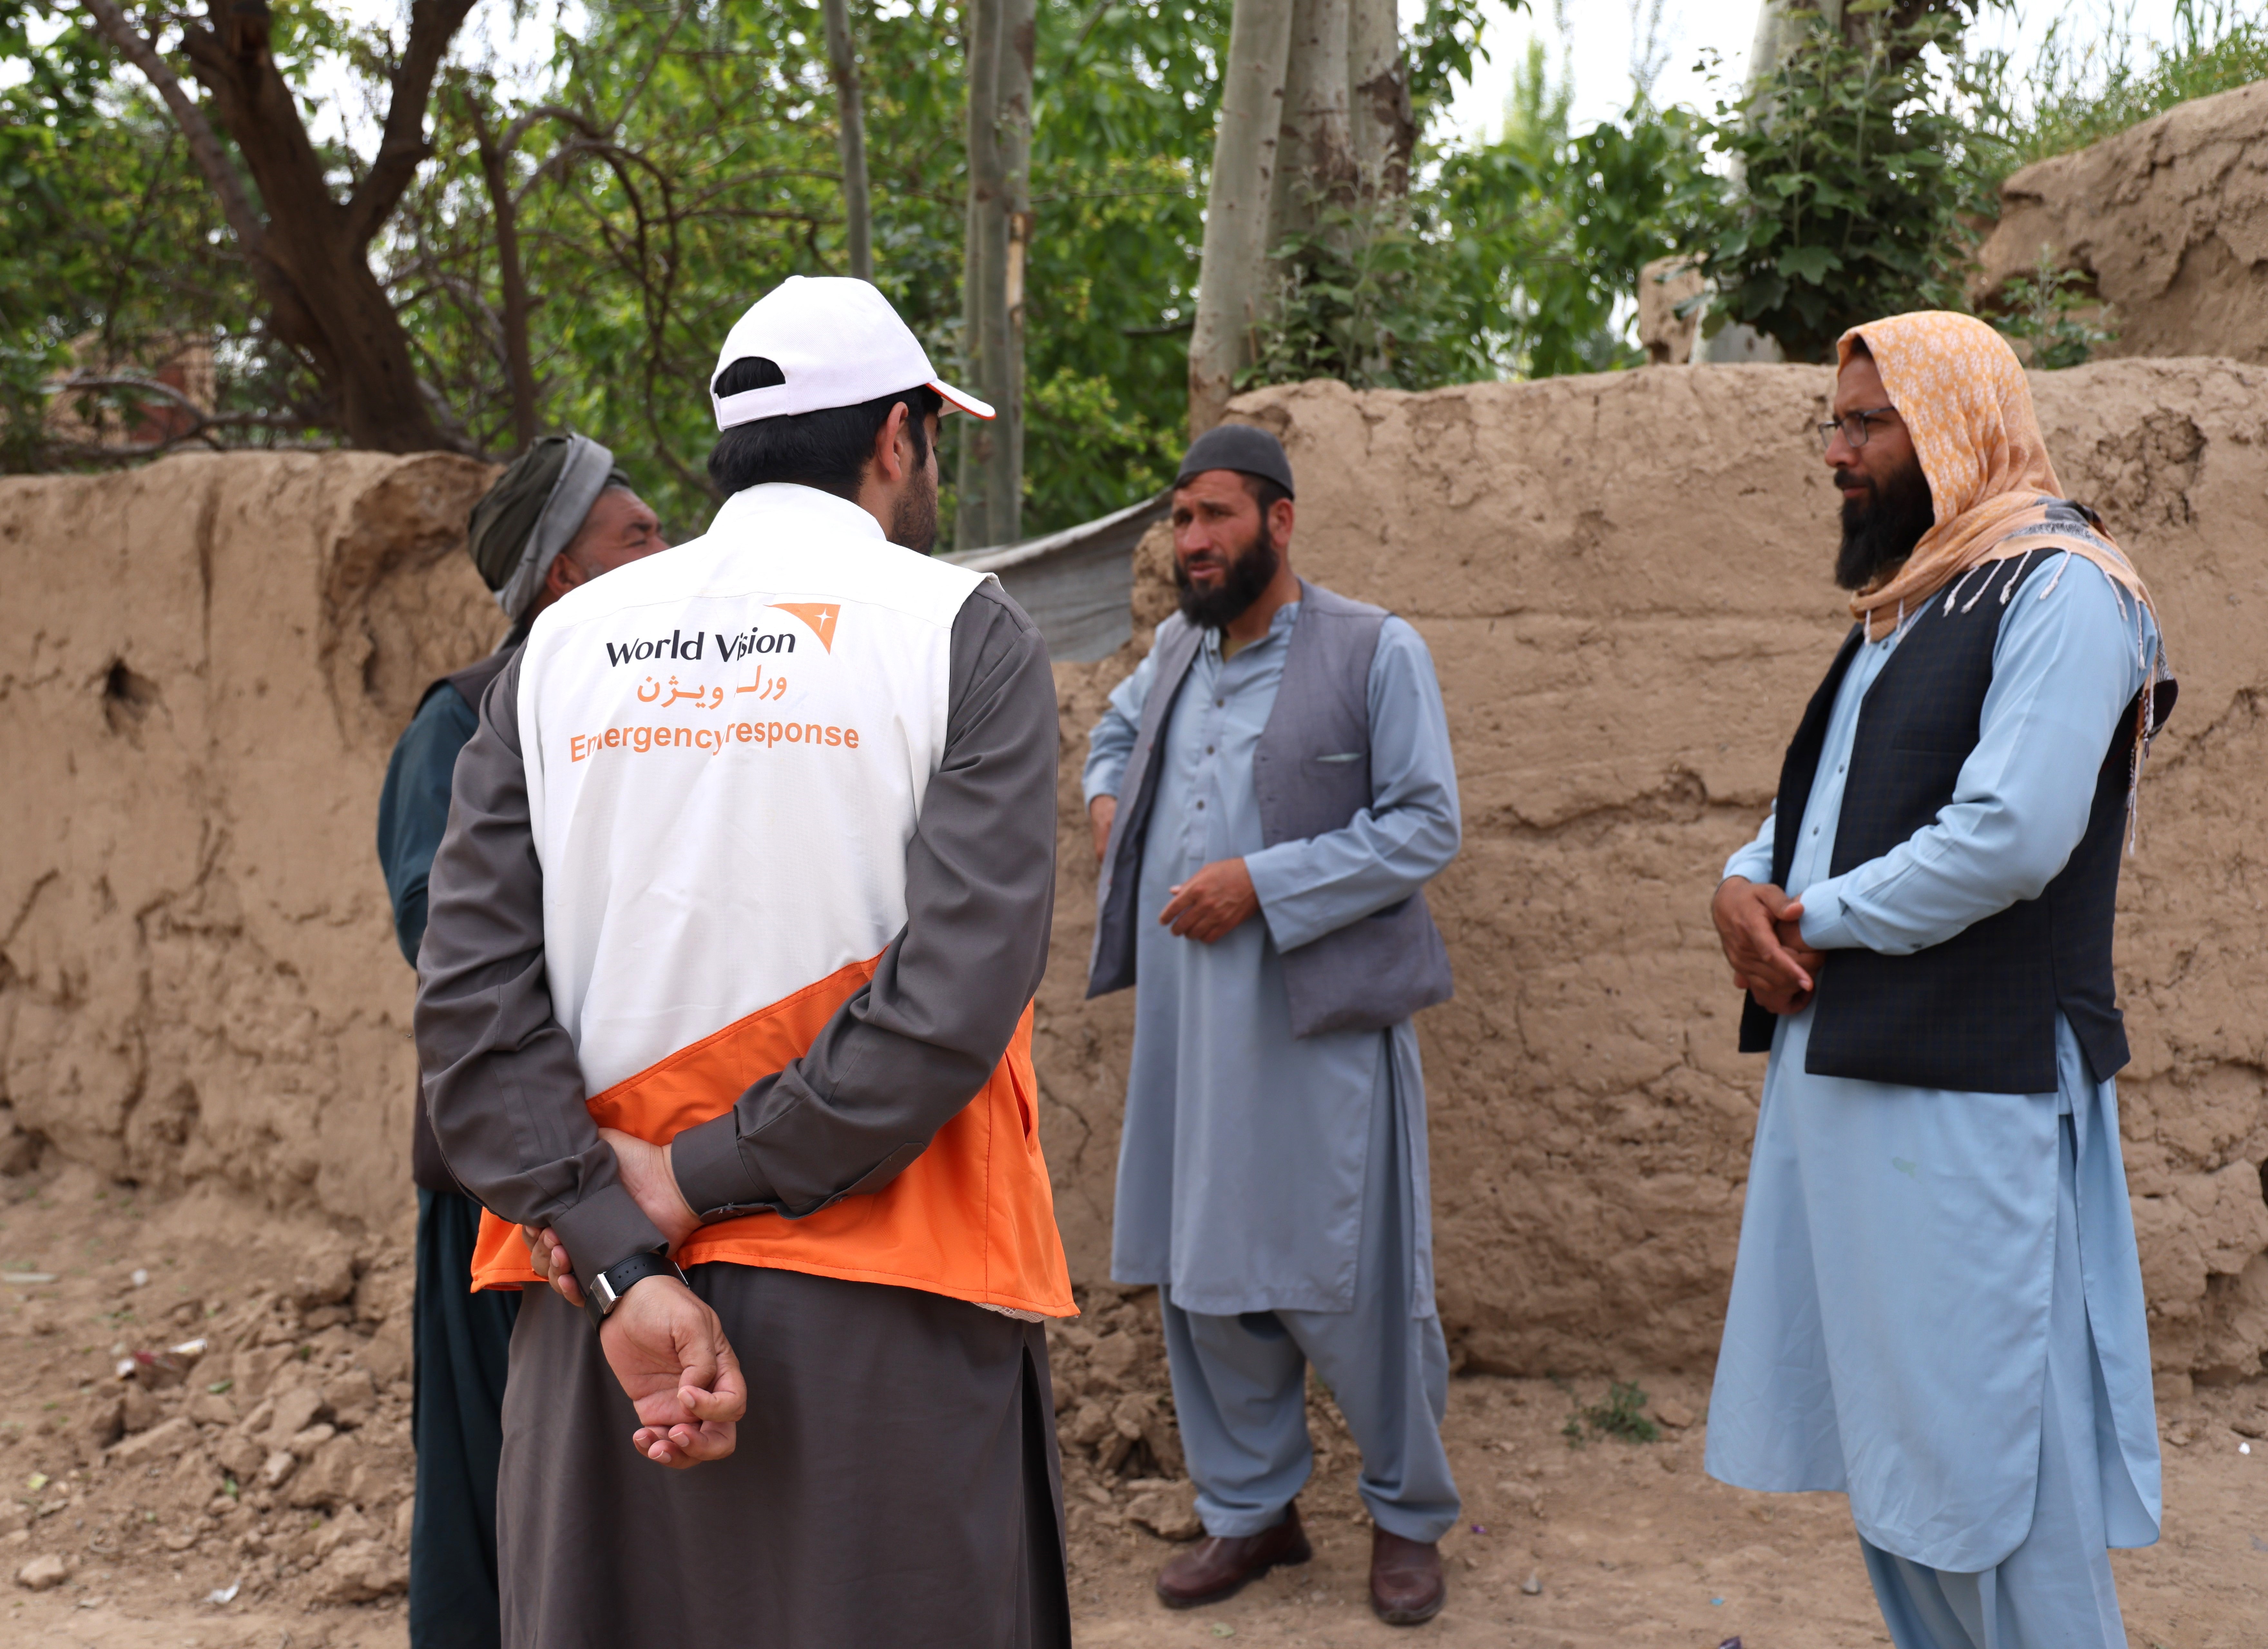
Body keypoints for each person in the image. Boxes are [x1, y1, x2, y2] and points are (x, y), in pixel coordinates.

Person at [413, 274, 1076, 1647]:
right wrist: (698, 1174)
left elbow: (469, 1011)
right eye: (930, 441)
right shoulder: (963, 630)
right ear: (897, 439)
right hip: (890, 1304)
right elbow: (952, 995)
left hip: (597, 1317)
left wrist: (613, 1242)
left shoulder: (558, 654)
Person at [1703, 312, 2173, 1649]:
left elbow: (2010, 836)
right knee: (1900, 1468)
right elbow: (1822, 812)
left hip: (1976, 1102)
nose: (1835, 452)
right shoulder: (1911, 600)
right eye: (1833, 424)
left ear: (1950, 422)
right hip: (1848, 1090)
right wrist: (1745, 883)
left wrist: (1812, 915)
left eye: (1865, 424)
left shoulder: (2062, 588)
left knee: (1999, 1478)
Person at [1083, 423, 1463, 1626]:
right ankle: (1253, 1511)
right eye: (1182, 519)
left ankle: (1407, 1517)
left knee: (1353, 1279)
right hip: (1192, 1037)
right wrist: (1109, 813)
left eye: (1218, 518)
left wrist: (1260, 883)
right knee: (1207, 1279)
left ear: (1280, 523)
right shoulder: (1173, 658)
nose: (1193, 542)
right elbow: (1108, 738)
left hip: (1319, 1031)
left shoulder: (1374, 650)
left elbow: (1423, 826)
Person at [375, 434, 664, 1649]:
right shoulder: (460, 721)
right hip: (511, 1177)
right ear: (561, 578)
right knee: (507, 1472)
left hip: (651, 1169)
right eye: (638, 538)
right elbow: (445, 932)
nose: (668, 555)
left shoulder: (667, 710)